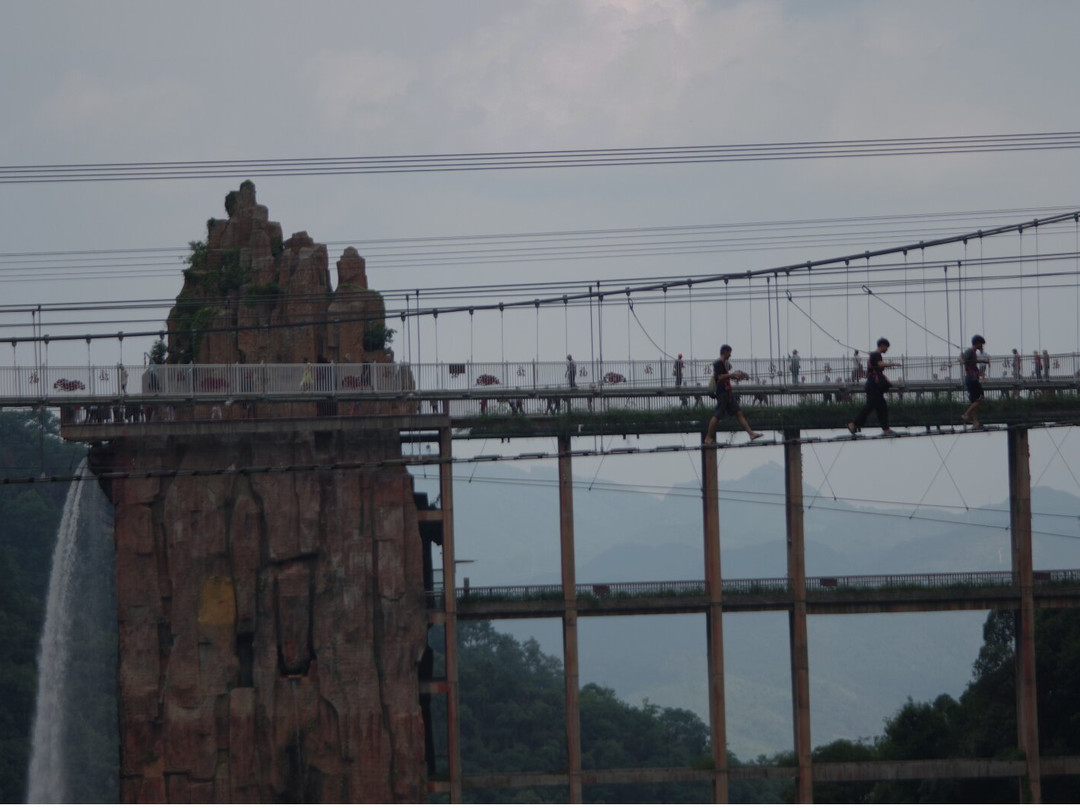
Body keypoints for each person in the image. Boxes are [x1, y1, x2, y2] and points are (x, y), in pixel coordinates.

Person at [704, 344, 762, 444]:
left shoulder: (724, 363)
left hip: (728, 392)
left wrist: (738, 376)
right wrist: (732, 374)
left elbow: (726, 376)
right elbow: (719, 377)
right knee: (717, 415)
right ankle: (708, 437)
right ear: (725, 352)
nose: (730, 355)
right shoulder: (718, 363)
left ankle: (751, 433)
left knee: (739, 413)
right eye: (729, 352)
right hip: (722, 392)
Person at [847, 337, 897, 435]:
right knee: (872, 405)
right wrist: (892, 364)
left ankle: (886, 429)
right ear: (882, 345)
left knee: (881, 405)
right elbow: (880, 364)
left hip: (872, 384)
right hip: (873, 385)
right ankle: (853, 424)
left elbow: (875, 369)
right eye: (886, 347)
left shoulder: (874, 355)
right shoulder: (876, 355)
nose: (887, 350)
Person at [960, 335, 988, 429]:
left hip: (973, 378)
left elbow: (971, 362)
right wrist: (964, 361)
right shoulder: (970, 351)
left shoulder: (973, 352)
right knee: (981, 399)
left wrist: (982, 361)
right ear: (977, 343)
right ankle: (966, 414)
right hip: (971, 379)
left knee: (975, 401)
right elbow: (962, 359)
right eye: (981, 344)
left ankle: (975, 422)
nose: (982, 346)